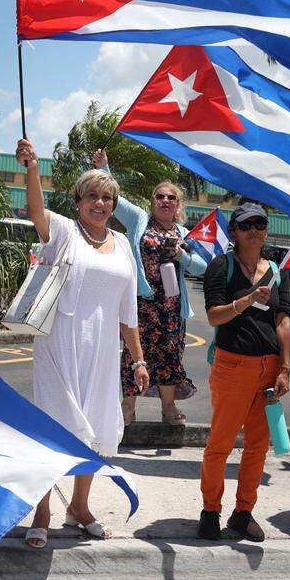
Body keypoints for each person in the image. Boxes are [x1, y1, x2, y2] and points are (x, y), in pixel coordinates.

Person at [16, 138, 148, 549]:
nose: (100, 203)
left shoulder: (124, 245)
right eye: (92, 195)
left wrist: (139, 361)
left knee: (93, 427)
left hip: (104, 351)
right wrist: (33, 168)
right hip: (60, 345)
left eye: (107, 198)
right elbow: (36, 211)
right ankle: (42, 510)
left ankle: (80, 506)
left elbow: (129, 312)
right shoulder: (63, 231)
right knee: (53, 427)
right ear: (78, 201)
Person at [92, 149, 208, 425]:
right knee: (134, 355)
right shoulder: (139, 220)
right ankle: (128, 408)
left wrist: (183, 256)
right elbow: (116, 200)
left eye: (171, 198)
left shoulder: (184, 234)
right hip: (140, 303)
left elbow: (203, 267)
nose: (165, 201)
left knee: (170, 357)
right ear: (152, 202)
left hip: (171, 308)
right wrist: (104, 166)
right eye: (160, 196)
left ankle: (168, 409)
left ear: (178, 205)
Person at [199, 202, 290, 543]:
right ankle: (210, 511)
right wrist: (248, 299)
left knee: (258, 447)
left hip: (268, 369)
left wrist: (285, 367)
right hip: (233, 365)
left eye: (260, 223)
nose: (254, 229)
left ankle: (243, 512)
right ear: (235, 233)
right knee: (220, 445)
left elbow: (283, 319)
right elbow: (213, 317)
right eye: (246, 224)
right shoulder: (221, 266)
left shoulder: (277, 270)